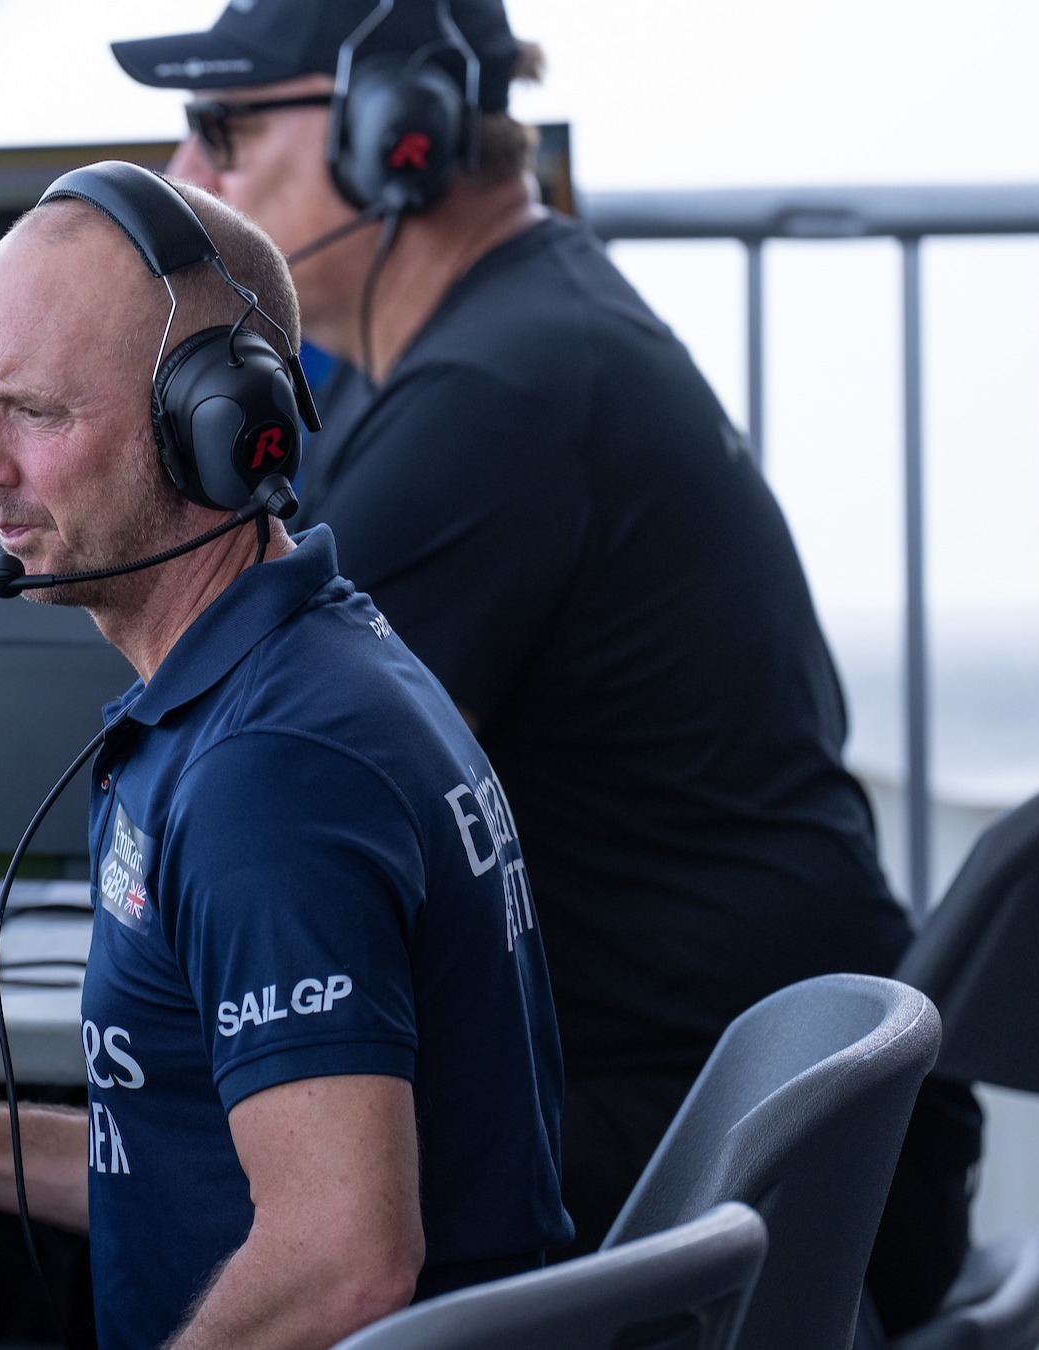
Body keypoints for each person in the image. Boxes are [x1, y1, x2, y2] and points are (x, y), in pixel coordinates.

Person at [110, 0, 981, 1332]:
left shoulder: (494, 402)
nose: (188, 176)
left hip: (732, 1160)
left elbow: (272, 785)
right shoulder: (538, 323)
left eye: (226, 127)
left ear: (392, 135)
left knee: (178, 1167)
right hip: (814, 1135)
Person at [0, 169, 571, 1350]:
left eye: (35, 412)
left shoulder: (271, 778)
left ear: (215, 429)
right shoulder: (307, 669)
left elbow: (342, 1261)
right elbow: (193, 1156)